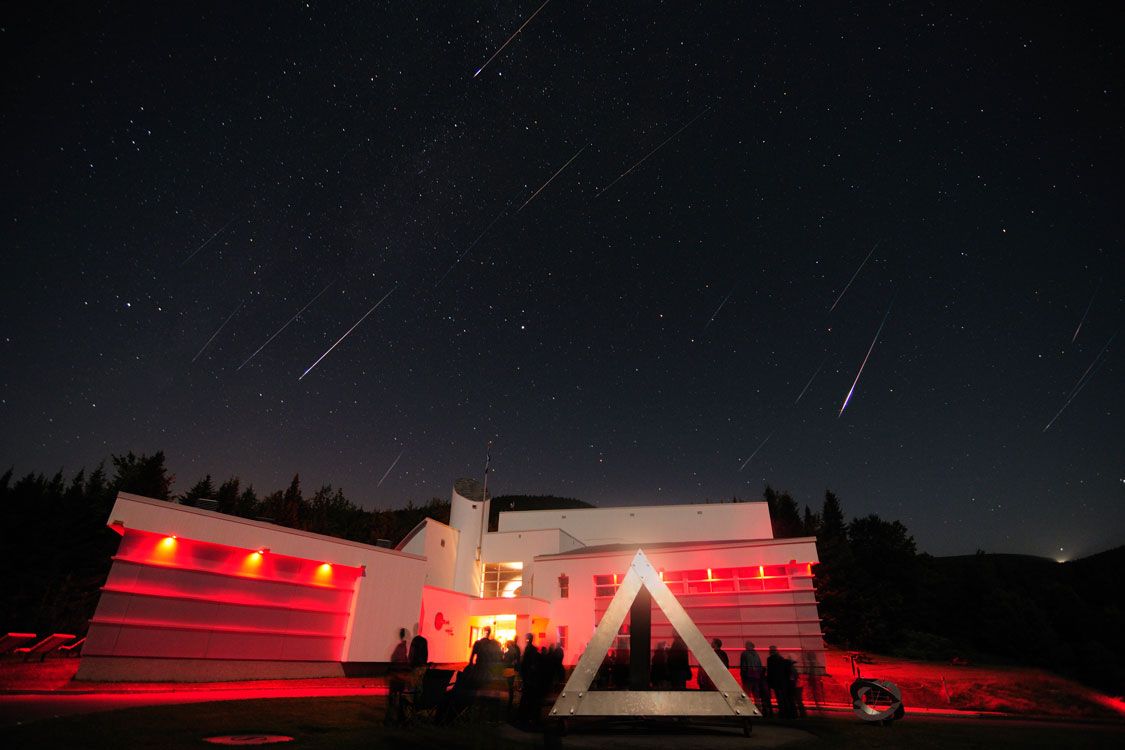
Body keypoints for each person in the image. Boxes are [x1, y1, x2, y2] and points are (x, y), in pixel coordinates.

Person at [386, 627, 410, 725]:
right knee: (398, 697)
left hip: (398, 676)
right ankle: (398, 718)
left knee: (394, 698)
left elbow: (394, 659)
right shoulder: (403, 647)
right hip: (401, 675)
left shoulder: (401, 647)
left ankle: (393, 718)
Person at [740, 641, 771, 718]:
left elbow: (743, 666)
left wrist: (743, 675)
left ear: (748, 646)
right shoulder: (756, 654)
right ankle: (758, 710)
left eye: (746, 645)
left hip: (748, 677)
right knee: (756, 695)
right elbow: (759, 666)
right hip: (756, 677)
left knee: (746, 694)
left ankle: (746, 711)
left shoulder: (745, 654)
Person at [517, 633, 541, 727]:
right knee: (530, 698)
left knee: (527, 698)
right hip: (531, 678)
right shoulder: (533, 650)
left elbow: (525, 664)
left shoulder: (529, 650)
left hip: (529, 678)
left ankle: (523, 717)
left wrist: (523, 675)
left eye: (527, 639)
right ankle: (529, 717)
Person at [767, 645, 791, 718]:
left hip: (776, 681)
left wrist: (769, 681)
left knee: (779, 697)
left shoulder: (770, 659)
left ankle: (782, 712)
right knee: (784, 697)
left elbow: (770, 671)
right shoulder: (781, 658)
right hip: (783, 681)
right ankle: (787, 712)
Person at [503, 638, 521, 711]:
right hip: (512, 670)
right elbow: (516, 661)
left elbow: (504, 662)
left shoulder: (507, 653)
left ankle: (509, 700)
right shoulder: (514, 653)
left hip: (507, 670)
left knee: (508, 685)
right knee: (510, 685)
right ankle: (511, 698)